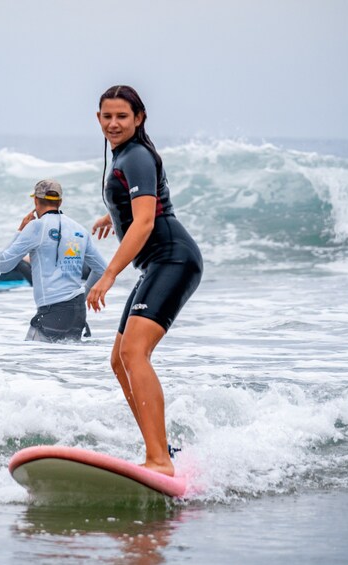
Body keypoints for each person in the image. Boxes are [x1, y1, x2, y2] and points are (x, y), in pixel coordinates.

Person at [86, 85, 203, 476]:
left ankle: (159, 460)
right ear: (98, 118)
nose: (113, 123)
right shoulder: (126, 155)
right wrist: (113, 215)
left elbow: (148, 220)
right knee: (120, 361)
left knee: (134, 354)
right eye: (107, 116)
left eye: (122, 116)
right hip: (159, 264)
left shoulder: (135, 155)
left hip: (173, 259)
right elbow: (143, 204)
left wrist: (108, 275)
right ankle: (161, 449)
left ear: (139, 118)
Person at [0, 179, 107, 342]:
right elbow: (102, 269)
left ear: (35, 200)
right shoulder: (79, 229)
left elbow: (3, 265)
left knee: (31, 363)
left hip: (53, 311)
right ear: (60, 202)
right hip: (78, 312)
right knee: (65, 365)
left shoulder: (36, 227)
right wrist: (83, 294)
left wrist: (20, 231)